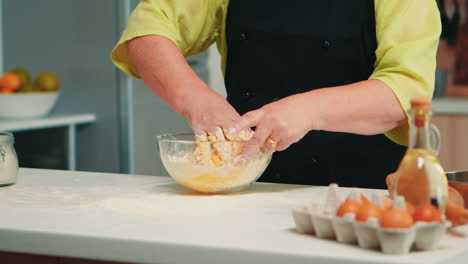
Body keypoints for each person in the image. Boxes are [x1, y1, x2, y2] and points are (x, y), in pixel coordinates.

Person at [111, 0, 441, 189]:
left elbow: (407, 91)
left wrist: (309, 110)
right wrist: (194, 97)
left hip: (357, 204)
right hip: (245, 191)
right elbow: (147, 29)